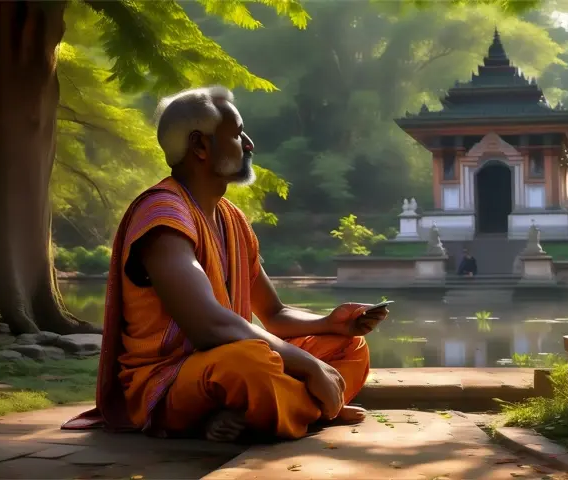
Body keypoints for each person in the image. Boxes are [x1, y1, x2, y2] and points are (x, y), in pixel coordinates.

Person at [62, 86, 389, 442]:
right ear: (200, 146)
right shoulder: (162, 216)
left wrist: (330, 322)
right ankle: (311, 408)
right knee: (251, 364)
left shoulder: (232, 219)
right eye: (236, 133)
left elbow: (275, 313)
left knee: (348, 347)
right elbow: (209, 327)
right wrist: (309, 366)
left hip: (222, 362)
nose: (248, 144)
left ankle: (263, 414)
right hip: (170, 377)